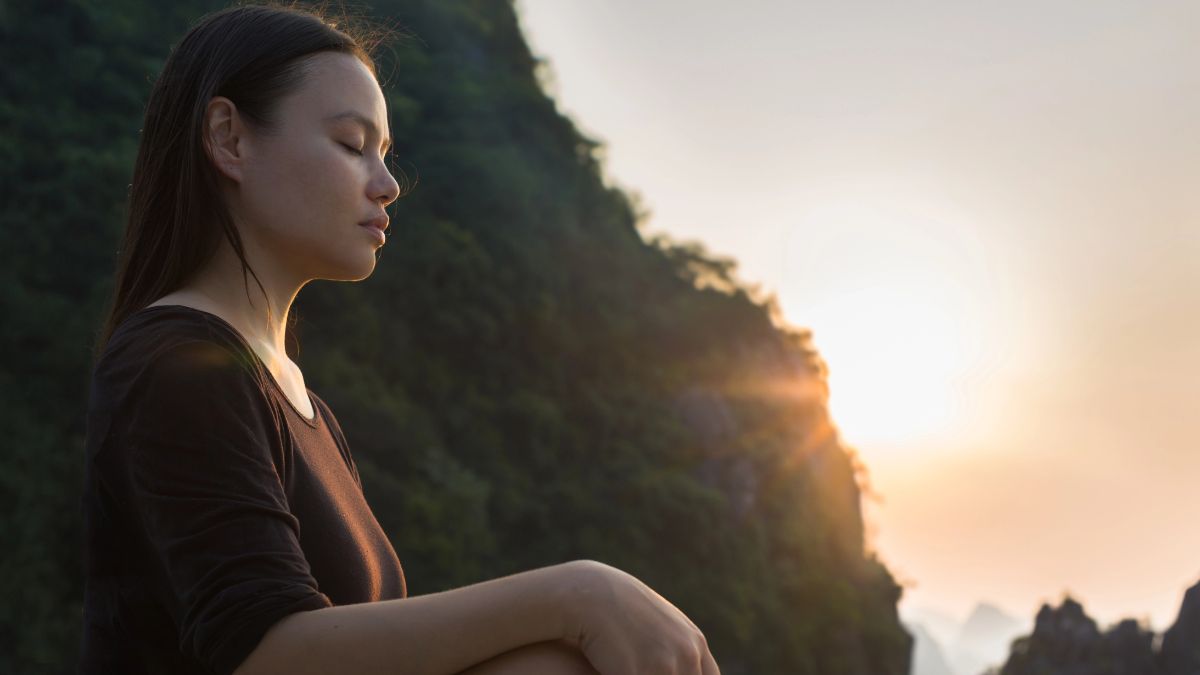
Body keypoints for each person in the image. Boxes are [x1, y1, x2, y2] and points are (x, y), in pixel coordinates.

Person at [79, 3, 720, 674]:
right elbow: (265, 652)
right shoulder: (175, 363)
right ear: (229, 139)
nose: (387, 186)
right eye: (353, 145)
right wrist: (575, 593)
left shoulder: (303, 404)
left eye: (384, 155)